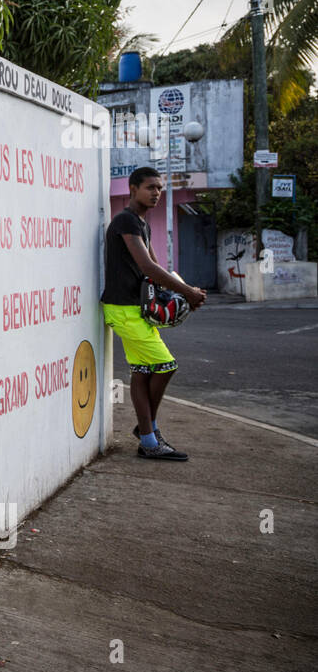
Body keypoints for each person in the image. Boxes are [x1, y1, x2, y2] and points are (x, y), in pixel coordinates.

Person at [100, 167, 207, 460]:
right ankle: (149, 435)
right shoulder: (125, 221)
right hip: (123, 309)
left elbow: (157, 268)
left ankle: (147, 436)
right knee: (165, 365)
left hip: (135, 310)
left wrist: (187, 290)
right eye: (150, 187)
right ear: (133, 189)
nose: (156, 193)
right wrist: (188, 293)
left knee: (143, 371)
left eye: (159, 188)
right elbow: (148, 267)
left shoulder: (141, 223)